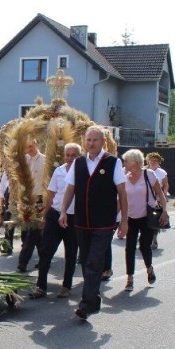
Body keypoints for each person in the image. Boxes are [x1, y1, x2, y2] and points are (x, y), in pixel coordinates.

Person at [59, 126, 128, 320]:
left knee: (93, 261)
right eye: (88, 140)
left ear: (103, 142)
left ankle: (86, 304)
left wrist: (124, 221)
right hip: (82, 222)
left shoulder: (113, 162)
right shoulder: (78, 163)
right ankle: (94, 299)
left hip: (104, 223)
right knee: (86, 261)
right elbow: (70, 189)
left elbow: (122, 193)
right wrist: (63, 211)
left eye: (95, 140)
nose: (91, 144)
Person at [33, 143, 81, 299]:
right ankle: (41, 286)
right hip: (55, 215)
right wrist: (45, 216)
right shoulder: (59, 171)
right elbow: (51, 195)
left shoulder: (83, 173)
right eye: (68, 155)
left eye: (74, 155)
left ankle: (66, 286)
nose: (70, 158)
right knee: (46, 250)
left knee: (71, 253)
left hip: (73, 218)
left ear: (79, 156)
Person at [121, 149, 168, 291]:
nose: (124, 163)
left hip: (147, 216)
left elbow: (160, 194)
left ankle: (149, 268)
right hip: (130, 217)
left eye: (126, 160)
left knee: (144, 246)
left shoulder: (149, 174)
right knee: (129, 247)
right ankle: (130, 278)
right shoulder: (124, 175)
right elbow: (121, 199)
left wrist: (165, 211)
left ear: (135, 162)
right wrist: (118, 219)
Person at [16, 139, 45, 273]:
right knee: (34, 232)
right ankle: (44, 258)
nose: (30, 149)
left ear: (36, 144)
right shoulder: (23, 161)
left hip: (40, 200)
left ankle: (23, 262)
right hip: (26, 199)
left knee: (32, 232)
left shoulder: (45, 160)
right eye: (27, 147)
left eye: (31, 146)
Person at [146, 152, 169, 249]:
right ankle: (145, 237)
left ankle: (154, 239)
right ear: (148, 161)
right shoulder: (143, 170)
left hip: (157, 197)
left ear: (158, 162)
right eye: (151, 160)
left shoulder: (162, 172)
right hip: (145, 197)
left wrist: (162, 195)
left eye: (155, 160)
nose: (153, 162)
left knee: (155, 219)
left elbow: (166, 184)